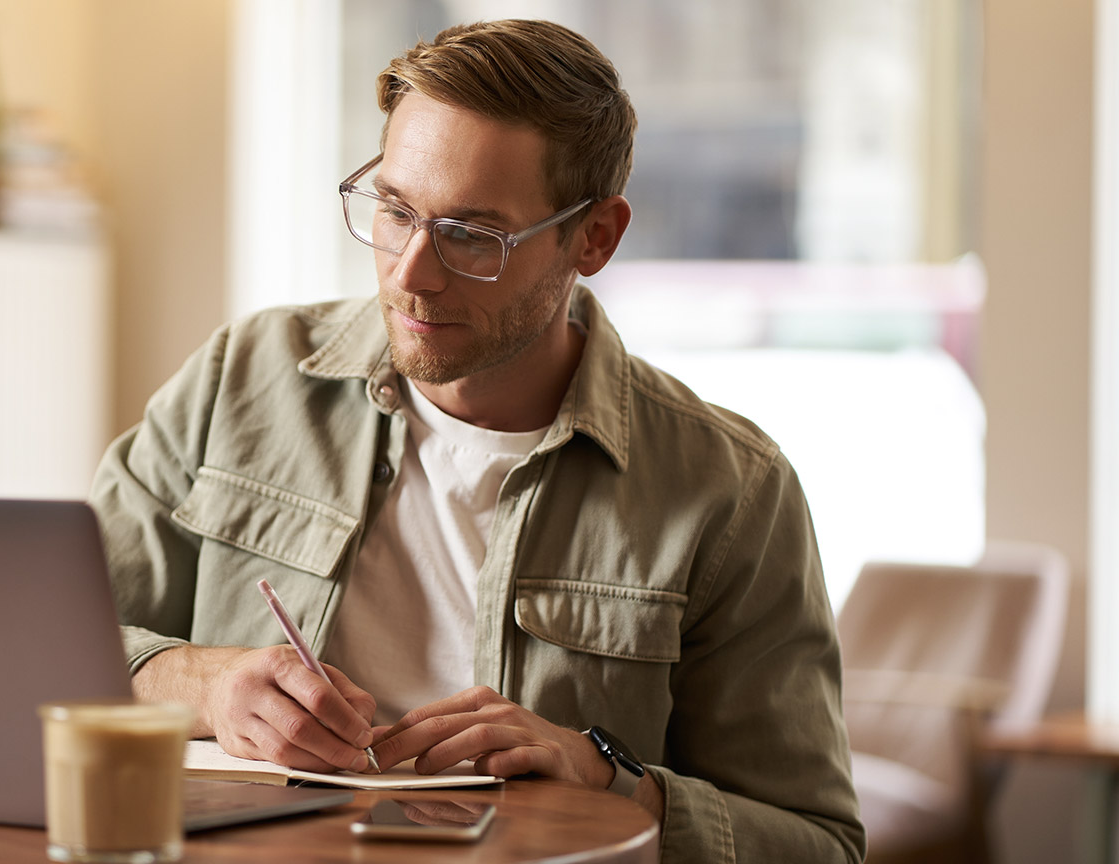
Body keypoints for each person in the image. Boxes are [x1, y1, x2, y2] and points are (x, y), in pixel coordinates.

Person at [90, 18, 864, 863]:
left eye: (471, 235)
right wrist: (201, 685)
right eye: (393, 210)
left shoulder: (729, 493)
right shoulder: (243, 380)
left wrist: (607, 777)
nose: (411, 272)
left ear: (595, 237)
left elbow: (816, 845)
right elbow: (44, 653)